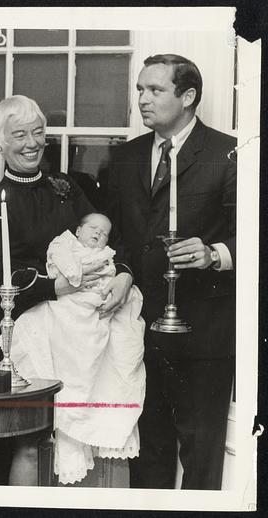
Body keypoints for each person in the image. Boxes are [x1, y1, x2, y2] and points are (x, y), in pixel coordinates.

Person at [0, 95, 134, 486]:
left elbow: (113, 237)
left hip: (89, 328)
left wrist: (124, 276)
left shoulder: (68, 187)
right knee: (32, 438)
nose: (31, 142)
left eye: (38, 132)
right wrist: (60, 285)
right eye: (19, 135)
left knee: (100, 430)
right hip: (37, 328)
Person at [103, 54, 236, 490]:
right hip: (138, 330)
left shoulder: (228, 154)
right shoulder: (126, 158)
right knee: (148, 454)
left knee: (201, 456)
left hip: (205, 333)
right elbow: (116, 235)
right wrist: (121, 269)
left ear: (189, 97)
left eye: (155, 90)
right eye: (140, 89)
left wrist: (215, 253)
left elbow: (255, 235)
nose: (142, 99)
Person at [10, 212, 146, 485]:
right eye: (92, 228)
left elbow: (112, 273)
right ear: (78, 230)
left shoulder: (108, 254)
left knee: (123, 318)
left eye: (104, 232)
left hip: (96, 305)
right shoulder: (64, 244)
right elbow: (61, 266)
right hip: (67, 301)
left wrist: (114, 280)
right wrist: (74, 276)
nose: (98, 234)